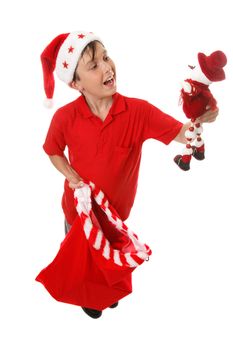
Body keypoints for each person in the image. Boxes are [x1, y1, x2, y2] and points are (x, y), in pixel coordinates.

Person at [40, 31, 219, 319]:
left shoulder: (138, 112)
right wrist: (70, 174)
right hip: (80, 215)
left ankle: (108, 293)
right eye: (94, 66)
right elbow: (53, 151)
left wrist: (200, 117)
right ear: (76, 83)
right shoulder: (64, 118)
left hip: (115, 217)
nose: (107, 67)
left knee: (110, 262)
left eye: (106, 57)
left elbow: (182, 133)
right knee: (85, 267)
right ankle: (90, 298)